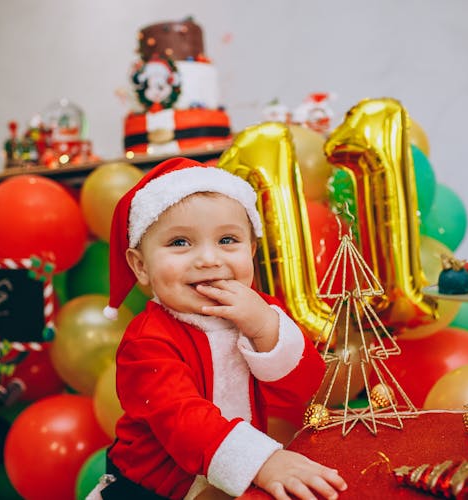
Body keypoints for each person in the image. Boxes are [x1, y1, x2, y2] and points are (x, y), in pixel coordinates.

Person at [88, 157, 347, 500]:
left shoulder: (260, 310)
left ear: (251, 251)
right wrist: (261, 462)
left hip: (229, 479)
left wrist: (266, 328)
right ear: (141, 266)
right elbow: (183, 420)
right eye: (180, 242)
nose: (209, 259)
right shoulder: (148, 339)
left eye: (227, 240)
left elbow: (305, 387)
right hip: (156, 487)